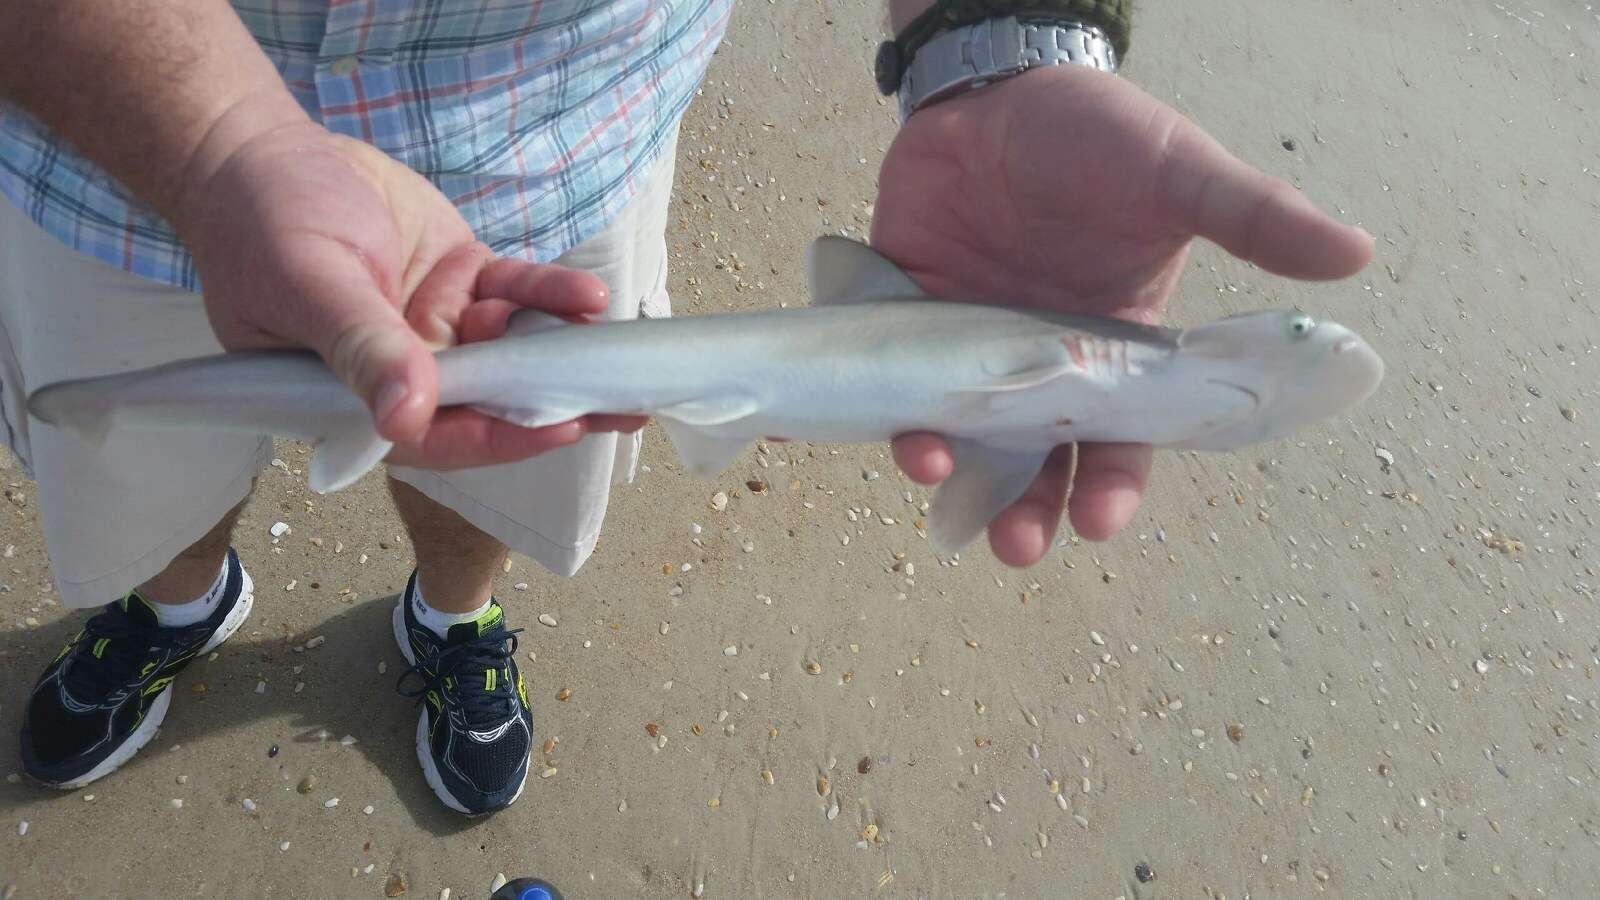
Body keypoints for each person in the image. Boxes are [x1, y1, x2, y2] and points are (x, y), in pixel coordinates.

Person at [0, 0, 1373, 816]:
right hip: (100, 111)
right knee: (136, 479)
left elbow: (965, 431)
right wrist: (214, 142)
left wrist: (1000, 39)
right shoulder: (1062, 369)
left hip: (555, 129)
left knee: (505, 454)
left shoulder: (1058, 385)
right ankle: (171, 607)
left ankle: (453, 617)